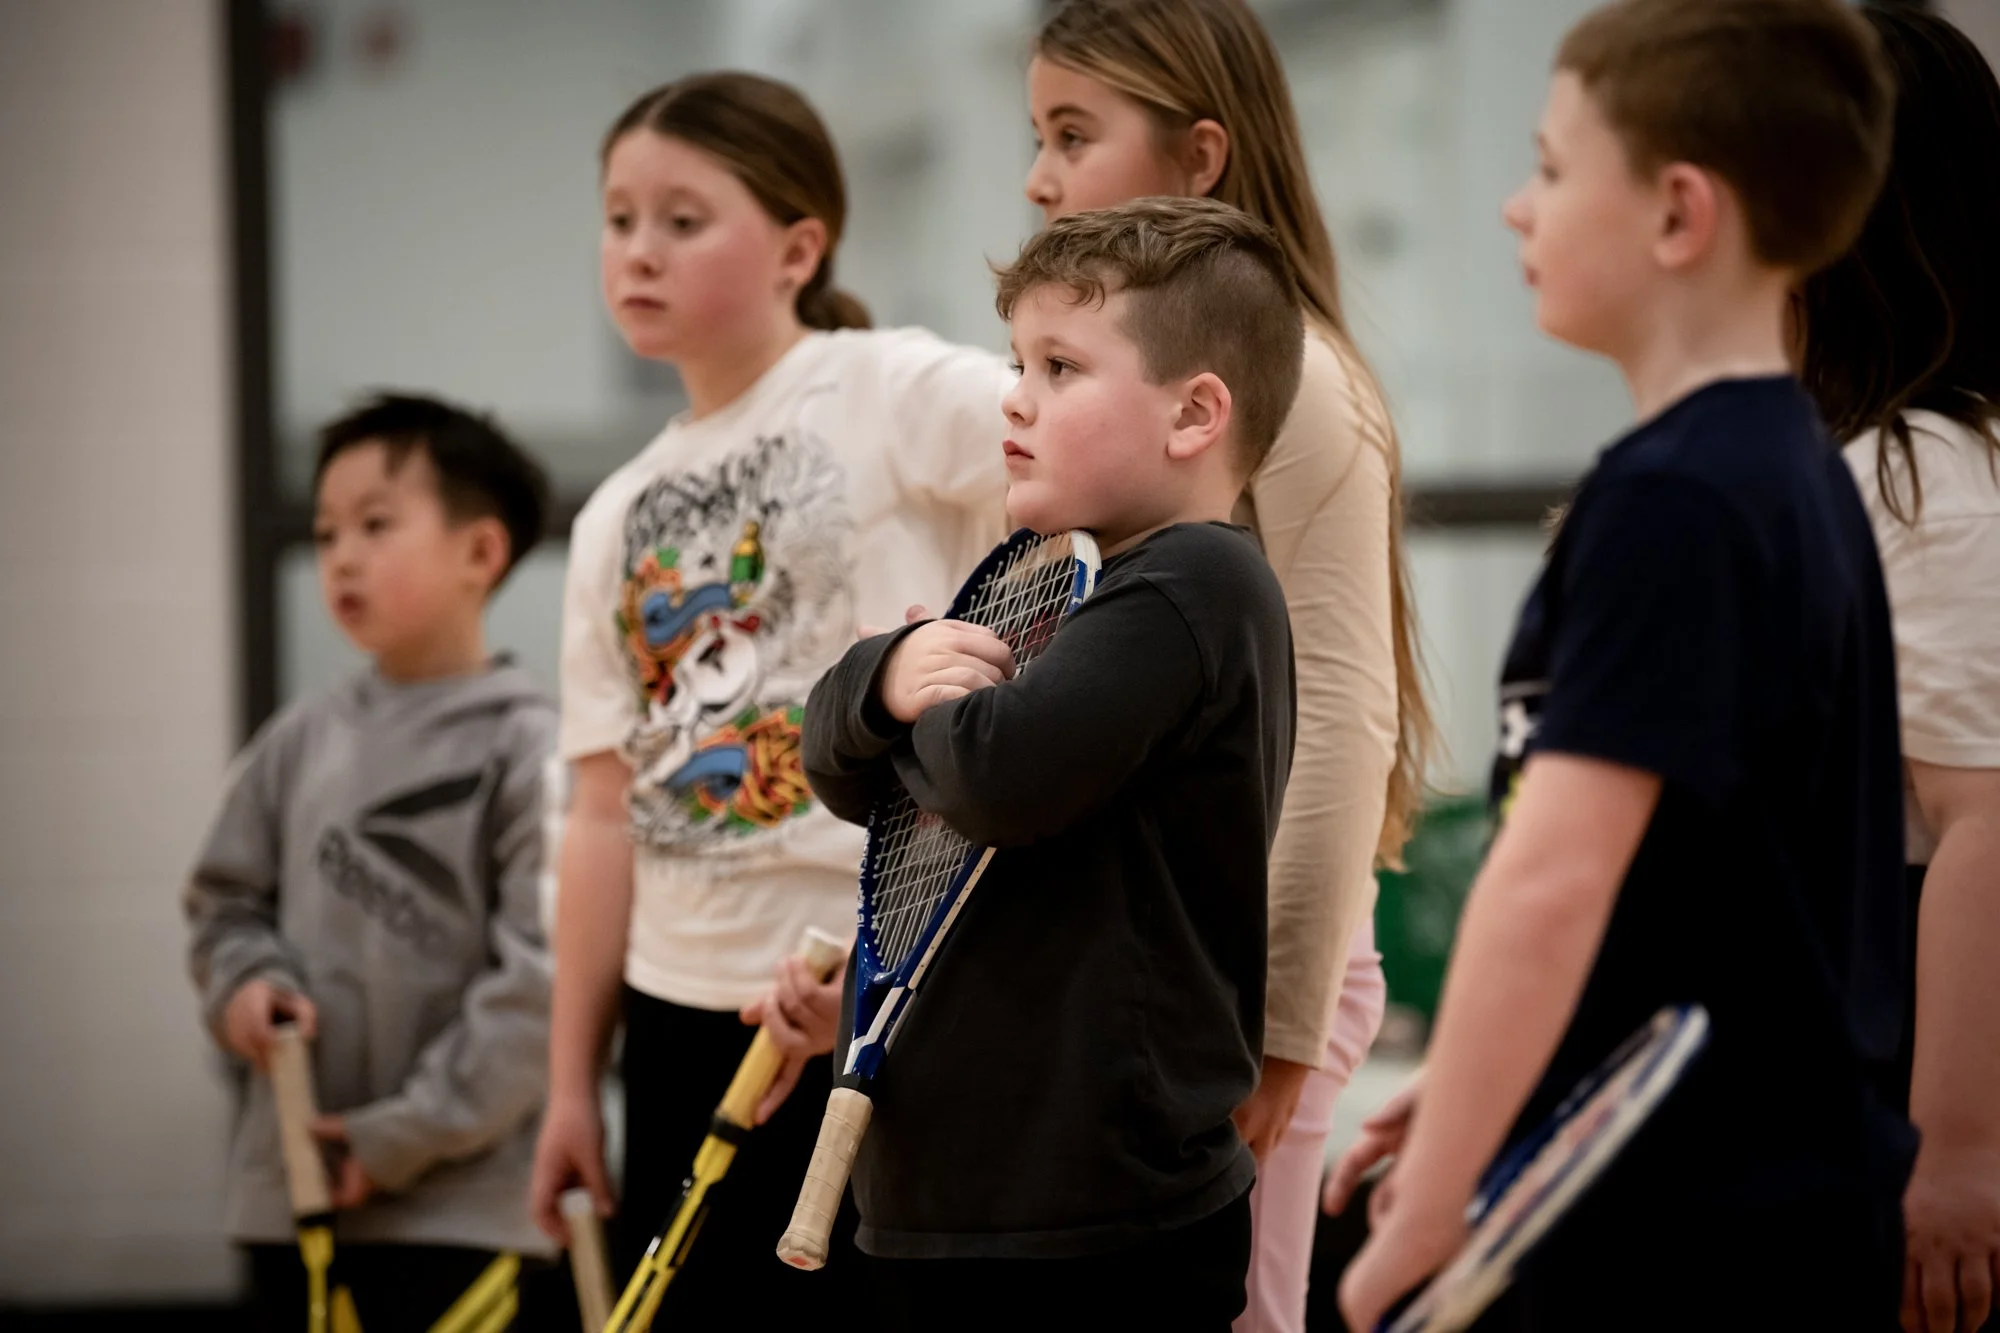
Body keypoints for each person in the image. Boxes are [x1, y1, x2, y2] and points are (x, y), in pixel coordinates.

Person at [1337, 2, 1911, 1328]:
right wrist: (1517, 1076)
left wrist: (1431, 1211)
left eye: (1548, 167)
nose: (1513, 210)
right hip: (1746, 1191)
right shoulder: (1783, 473)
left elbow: (1551, 882)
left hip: (1684, 1227)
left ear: (1677, 215)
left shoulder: (1681, 503)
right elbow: (1720, 892)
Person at [524, 71, 1013, 1327]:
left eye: (682, 219)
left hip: (878, 990)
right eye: (619, 217)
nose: (637, 249)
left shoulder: (891, 385)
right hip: (679, 1010)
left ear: (799, 244)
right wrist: (574, 1084)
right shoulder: (611, 516)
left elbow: (1090, 491)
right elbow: (596, 815)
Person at [804, 196, 1299, 1332]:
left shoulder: (1193, 586)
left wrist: (914, 715)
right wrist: (889, 677)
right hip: (943, 1204)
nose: (1013, 397)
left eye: (1060, 365)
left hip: (1098, 1223)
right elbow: (837, 767)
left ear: (1193, 415)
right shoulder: (1061, 586)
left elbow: (996, 775)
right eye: (1016, 360)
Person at [1021, 5, 1430, 1325]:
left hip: (1253, 971)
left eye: (1073, 136)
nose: (1039, 177)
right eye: (1037, 136)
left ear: (1200, 156)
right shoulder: (1110, 390)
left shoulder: (1296, 379)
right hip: (1165, 958)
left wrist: (1285, 1024)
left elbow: (1345, 714)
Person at [184, 393, 562, 1331]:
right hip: (296, 1198)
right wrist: (243, 986)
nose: (340, 553)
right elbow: (223, 905)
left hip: (467, 1212)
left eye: (375, 524)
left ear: (481, 553)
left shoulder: (531, 746)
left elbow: (541, 987)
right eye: (325, 530)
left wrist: (396, 1138)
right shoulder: (296, 739)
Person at [1798, 8, 2000, 1330]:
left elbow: (1982, 821)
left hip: (1891, 1074)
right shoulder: (1848, 458)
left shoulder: (1921, 475)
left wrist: (1958, 1151)